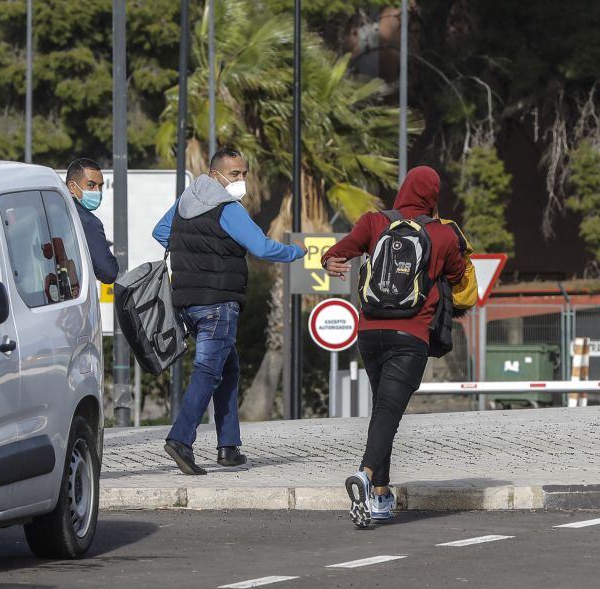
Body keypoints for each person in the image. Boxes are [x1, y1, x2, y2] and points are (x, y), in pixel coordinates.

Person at [321, 166, 471, 527]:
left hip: (370, 332)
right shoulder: (443, 234)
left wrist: (330, 261)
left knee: (382, 411)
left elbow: (338, 252)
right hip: (411, 335)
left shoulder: (374, 222)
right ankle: (365, 474)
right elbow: (458, 275)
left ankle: (381, 494)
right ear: (433, 196)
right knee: (389, 411)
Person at [152, 147, 306, 475]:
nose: (241, 180)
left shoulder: (184, 202)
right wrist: (296, 252)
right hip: (219, 303)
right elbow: (262, 247)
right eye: (235, 174)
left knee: (229, 368)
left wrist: (194, 252)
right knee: (208, 370)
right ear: (216, 174)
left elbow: (161, 233)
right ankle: (181, 439)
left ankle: (228, 447)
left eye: (244, 173)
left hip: (188, 304)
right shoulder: (227, 208)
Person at [66, 158, 119, 284]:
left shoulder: (50, 209)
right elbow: (108, 273)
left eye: (100, 186)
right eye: (91, 185)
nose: (97, 192)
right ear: (72, 187)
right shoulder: (88, 222)